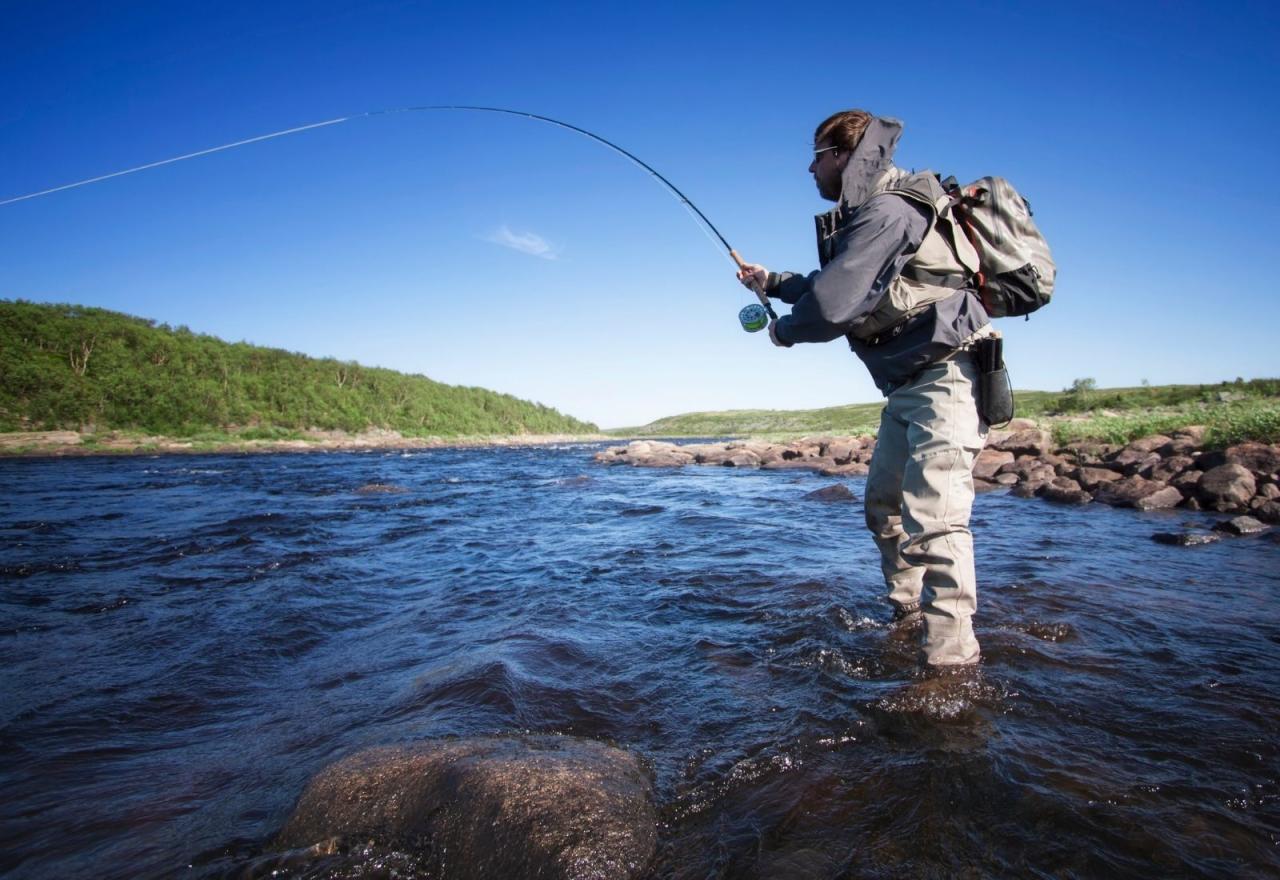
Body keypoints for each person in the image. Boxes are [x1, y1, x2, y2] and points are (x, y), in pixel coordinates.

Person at [737, 110, 993, 668]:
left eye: (816, 156)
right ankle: (908, 616)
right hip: (906, 386)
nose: (810, 168)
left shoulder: (890, 209)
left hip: (947, 379)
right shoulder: (872, 212)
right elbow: (844, 283)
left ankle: (950, 666)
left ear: (843, 154)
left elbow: (833, 306)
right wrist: (772, 282)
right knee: (884, 509)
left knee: (936, 525)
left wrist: (783, 331)